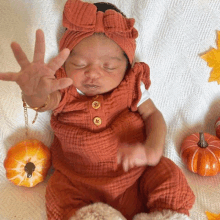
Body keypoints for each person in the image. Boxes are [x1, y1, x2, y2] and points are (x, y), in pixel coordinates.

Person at [0, 0, 195, 219]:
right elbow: (44, 101)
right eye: (80, 64)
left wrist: (152, 149)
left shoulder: (131, 85)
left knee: (166, 174)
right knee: (59, 192)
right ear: (65, 63)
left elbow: (153, 115)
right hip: (78, 181)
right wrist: (34, 91)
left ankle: (166, 214)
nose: (93, 74)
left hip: (136, 173)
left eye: (108, 67)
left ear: (127, 66)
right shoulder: (63, 85)